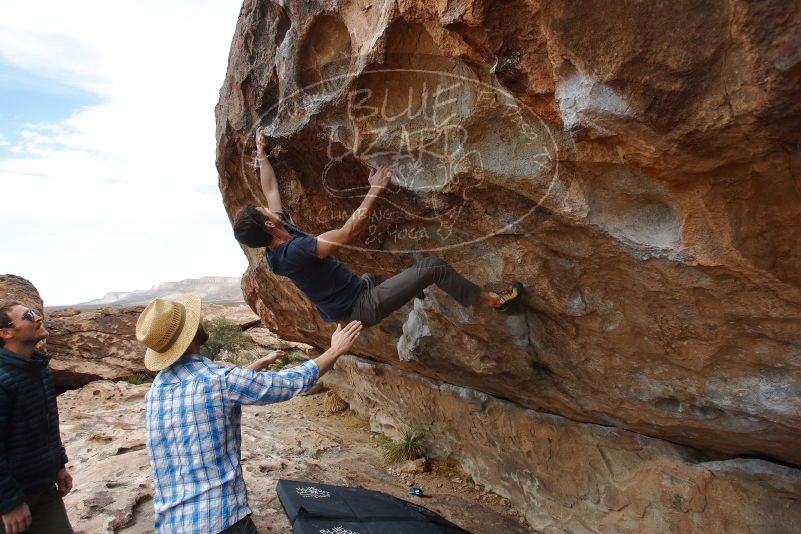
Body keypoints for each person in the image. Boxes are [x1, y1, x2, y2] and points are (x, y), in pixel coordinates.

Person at [232, 127, 523, 327]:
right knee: (434, 266)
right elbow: (349, 233)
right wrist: (376, 189)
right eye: (264, 212)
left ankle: (417, 291)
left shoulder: (278, 238)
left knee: (378, 276)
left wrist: (262, 153)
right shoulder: (293, 251)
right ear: (269, 223)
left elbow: (270, 190)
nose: (268, 206)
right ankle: (494, 300)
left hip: (361, 288)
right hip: (362, 306)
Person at [138, 293, 362, 534]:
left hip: (172, 525)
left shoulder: (156, 391)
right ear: (191, 334)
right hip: (220, 521)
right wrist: (334, 349)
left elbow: (219, 390)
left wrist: (261, 362)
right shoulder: (219, 382)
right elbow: (288, 384)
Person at [0, 302, 73, 534]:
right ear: (6, 333)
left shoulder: (37, 367)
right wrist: (9, 502)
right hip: (12, 499)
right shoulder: (3, 378)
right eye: (28, 316)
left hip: (43, 489)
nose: (38, 318)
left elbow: (48, 423)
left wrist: (59, 464)